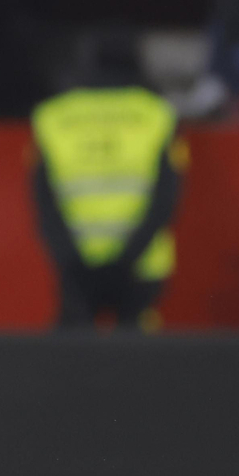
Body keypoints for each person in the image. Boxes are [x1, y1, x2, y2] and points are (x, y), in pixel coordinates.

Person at [30, 83, 181, 330]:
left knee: (69, 362)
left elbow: (44, 203)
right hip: (141, 270)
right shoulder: (156, 112)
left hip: (76, 267)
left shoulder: (52, 116)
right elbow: (167, 198)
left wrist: (68, 258)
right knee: (141, 363)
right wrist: (129, 257)